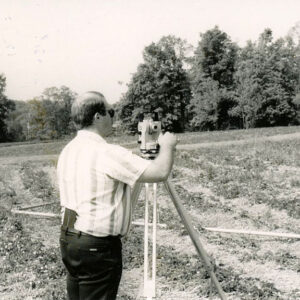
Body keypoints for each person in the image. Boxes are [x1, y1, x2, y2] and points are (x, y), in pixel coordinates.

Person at [57, 91, 177, 300]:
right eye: (111, 112)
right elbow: (159, 172)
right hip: (97, 247)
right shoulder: (106, 152)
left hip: (70, 241)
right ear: (97, 116)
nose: (114, 117)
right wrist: (168, 146)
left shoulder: (69, 149)